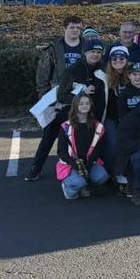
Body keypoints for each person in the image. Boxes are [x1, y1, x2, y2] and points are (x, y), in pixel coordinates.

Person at [26, 15, 84, 182]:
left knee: (76, 138)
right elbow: (42, 75)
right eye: (72, 27)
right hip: (56, 100)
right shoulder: (53, 49)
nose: (75, 31)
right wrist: (45, 99)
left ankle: (76, 170)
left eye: (78, 28)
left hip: (79, 101)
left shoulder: (85, 47)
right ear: (64, 29)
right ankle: (35, 168)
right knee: (48, 136)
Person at [56, 94, 109, 200]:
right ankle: (69, 188)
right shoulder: (66, 127)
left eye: (87, 103)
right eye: (81, 104)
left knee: (102, 177)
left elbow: (100, 148)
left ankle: (85, 184)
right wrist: (74, 163)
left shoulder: (97, 126)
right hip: (72, 163)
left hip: (90, 162)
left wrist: (89, 163)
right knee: (77, 183)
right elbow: (61, 151)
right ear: (75, 106)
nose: (84, 106)